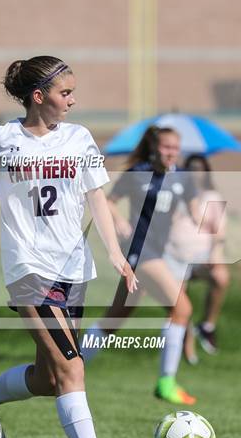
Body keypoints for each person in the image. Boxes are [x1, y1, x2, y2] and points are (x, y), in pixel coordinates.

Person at [0, 55, 137, 438]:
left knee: (49, 377)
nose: (72, 101)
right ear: (39, 97)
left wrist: (116, 253)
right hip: (28, 270)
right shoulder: (3, 139)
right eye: (65, 93)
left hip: (73, 269)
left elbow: (97, 199)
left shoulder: (79, 138)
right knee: (72, 369)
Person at [82, 126, 198, 405]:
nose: (171, 153)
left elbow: (196, 211)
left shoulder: (182, 177)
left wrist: (201, 220)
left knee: (113, 319)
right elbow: (105, 202)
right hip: (139, 252)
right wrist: (119, 221)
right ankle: (166, 383)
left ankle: (67, 369)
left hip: (157, 252)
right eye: (166, 147)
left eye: (175, 148)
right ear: (155, 147)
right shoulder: (137, 173)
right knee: (182, 308)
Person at [164, 154, 230, 363]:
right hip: (175, 254)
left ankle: (208, 325)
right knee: (180, 304)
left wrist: (214, 255)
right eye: (191, 167)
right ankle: (187, 348)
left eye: (199, 168)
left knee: (221, 277)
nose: (195, 172)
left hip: (202, 256)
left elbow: (219, 232)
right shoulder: (176, 193)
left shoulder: (213, 197)